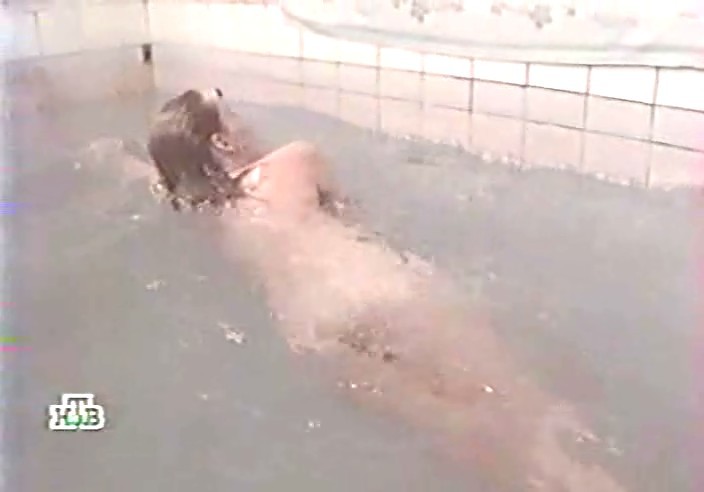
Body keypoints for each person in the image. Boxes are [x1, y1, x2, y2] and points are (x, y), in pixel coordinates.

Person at [145, 88, 627, 492]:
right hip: (373, 291)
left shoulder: (204, 210)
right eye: (228, 107)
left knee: (460, 430)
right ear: (223, 141)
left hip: (313, 331)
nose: (242, 115)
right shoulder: (295, 160)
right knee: (528, 412)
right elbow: (357, 221)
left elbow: (165, 181)